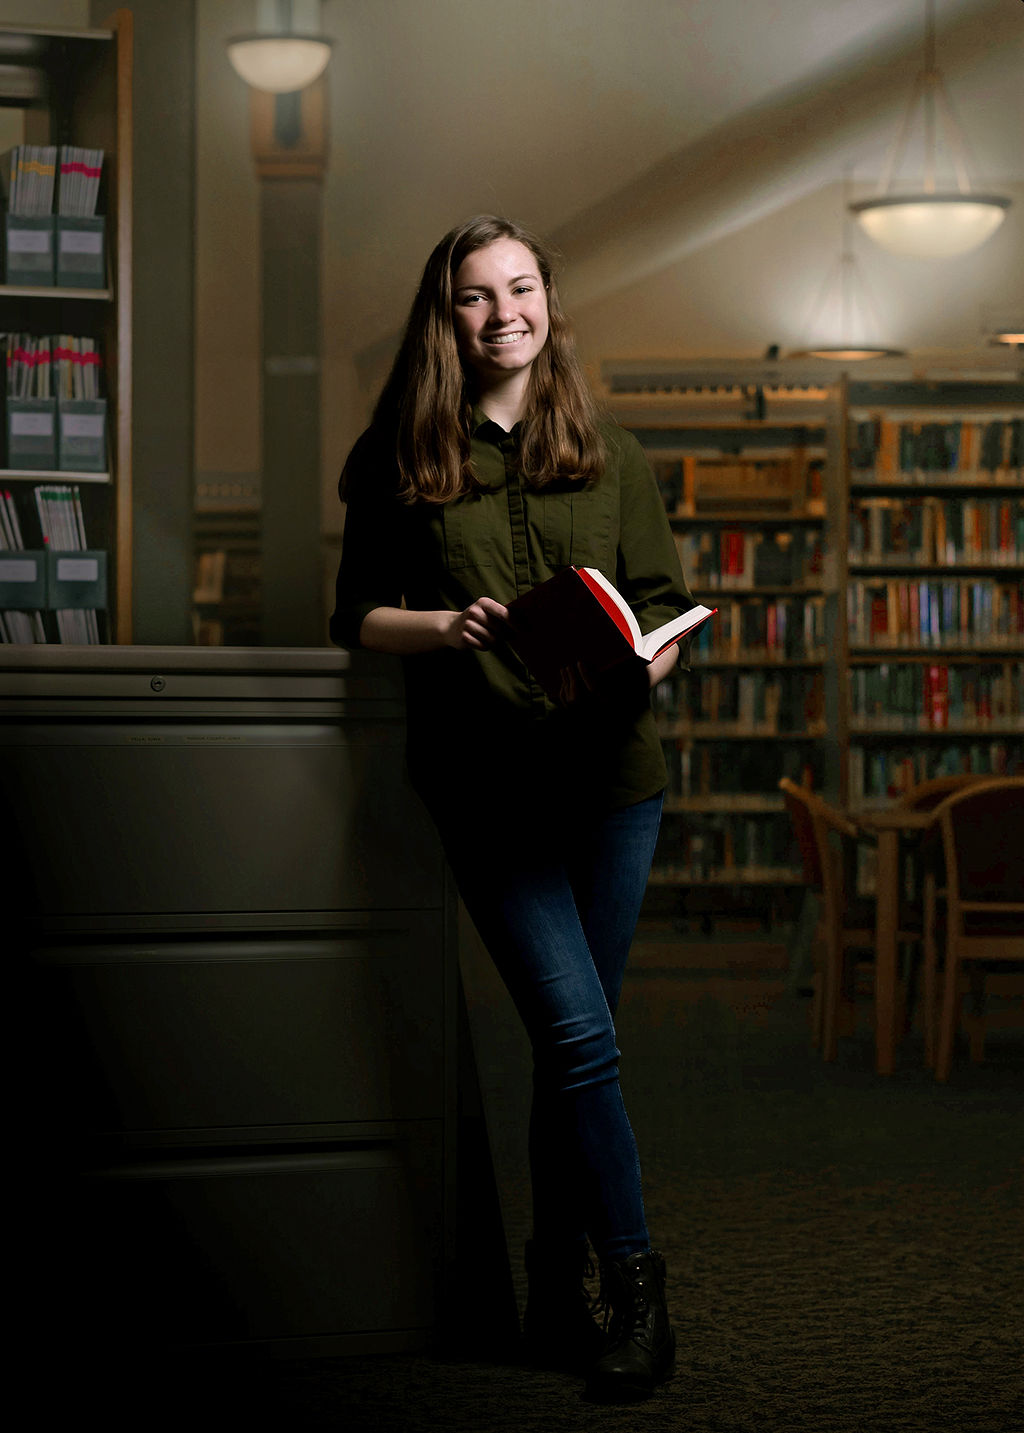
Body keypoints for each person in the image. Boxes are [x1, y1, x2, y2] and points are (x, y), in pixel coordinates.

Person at [331, 215, 696, 1403]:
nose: (504, 315)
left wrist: (646, 661)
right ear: (446, 320)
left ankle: (550, 1279)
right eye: (476, 298)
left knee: (564, 1045)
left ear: (549, 300)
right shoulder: (398, 455)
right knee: (585, 1038)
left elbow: (663, 605)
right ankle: (638, 1286)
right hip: (490, 790)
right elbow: (356, 616)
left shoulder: (612, 450)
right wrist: (446, 626)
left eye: (522, 288)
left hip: (613, 785)